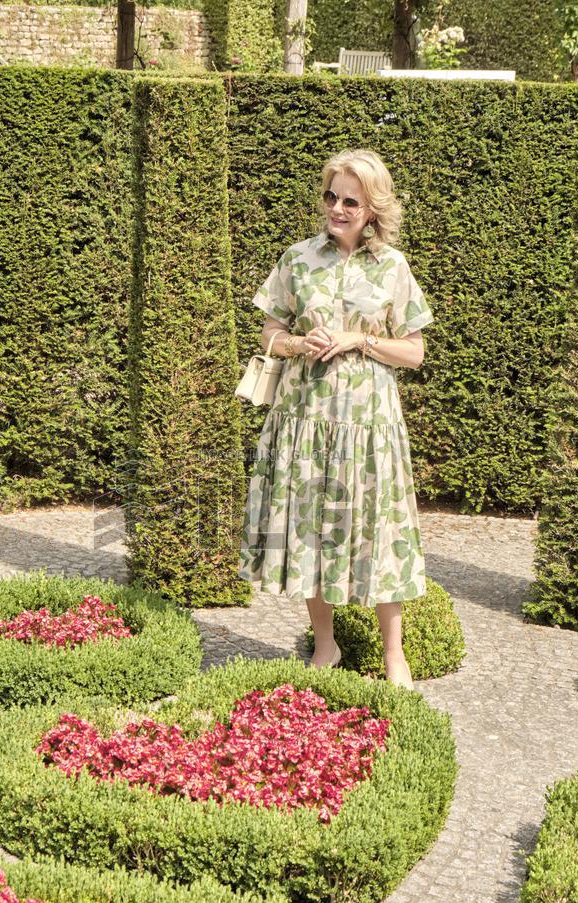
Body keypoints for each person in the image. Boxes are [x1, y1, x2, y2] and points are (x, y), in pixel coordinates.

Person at [237, 149, 435, 690]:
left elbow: (414, 352)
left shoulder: (393, 267)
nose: (338, 208)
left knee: (379, 529)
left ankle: (395, 655)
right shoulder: (297, 258)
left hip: (369, 426)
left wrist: (361, 339)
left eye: (351, 200)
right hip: (304, 420)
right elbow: (268, 334)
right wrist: (297, 341)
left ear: (372, 208)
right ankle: (326, 644)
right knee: (308, 527)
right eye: (331, 196)